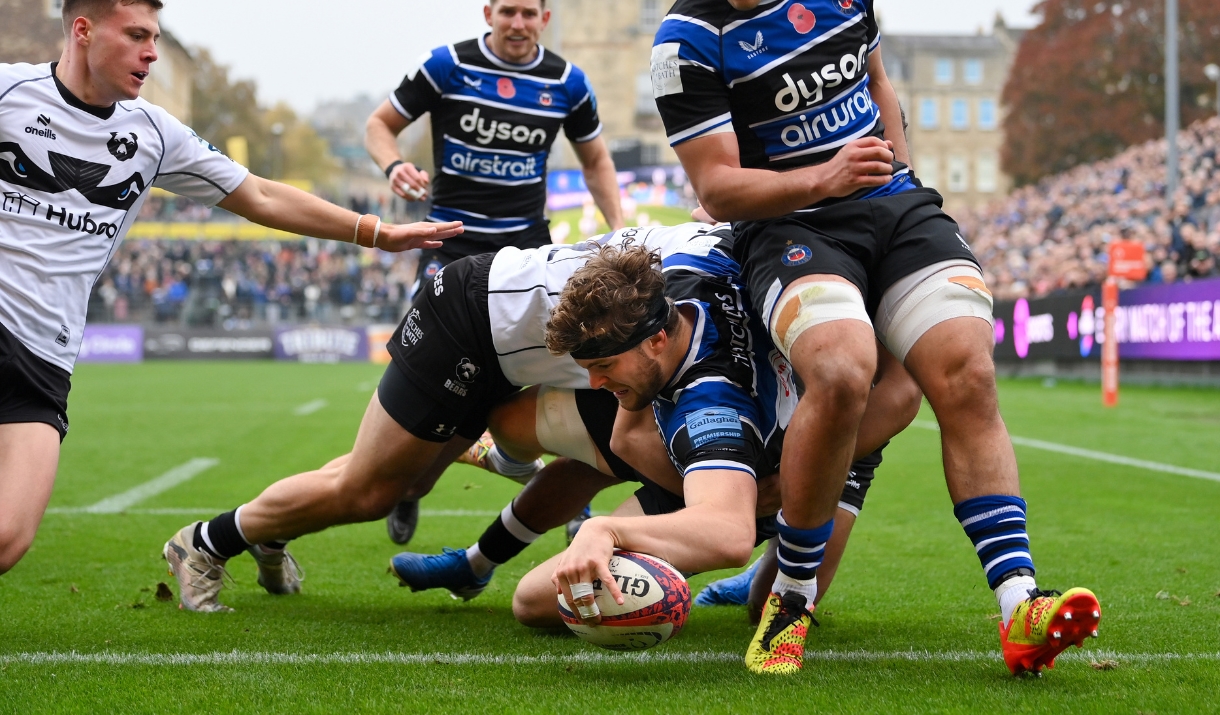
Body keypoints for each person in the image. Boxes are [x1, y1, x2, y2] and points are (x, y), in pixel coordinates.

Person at [651, 0, 1099, 675]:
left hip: (892, 207)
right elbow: (716, 186)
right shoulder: (684, 42)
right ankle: (791, 601)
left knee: (968, 372)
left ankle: (1021, 607)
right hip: (792, 225)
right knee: (840, 369)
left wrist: (906, 173)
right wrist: (823, 179)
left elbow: (876, 79)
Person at [0, 0, 462, 577]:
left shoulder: (154, 134)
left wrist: (376, 232)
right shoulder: (9, 94)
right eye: (137, 35)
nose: (151, 52)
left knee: (8, 538)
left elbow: (262, 196)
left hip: (45, 356)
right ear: (84, 29)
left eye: (156, 37)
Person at [161, 223, 749, 613]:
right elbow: (630, 436)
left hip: (516, 338)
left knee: (410, 480)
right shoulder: (694, 294)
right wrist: (736, 502)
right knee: (372, 491)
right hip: (467, 318)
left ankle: (283, 526)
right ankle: (207, 541)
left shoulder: (720, 259)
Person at [364, 0, 625, 544]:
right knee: (438, 389)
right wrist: (393, 165)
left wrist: (619, 228)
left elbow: (595, 159)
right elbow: (379, 124)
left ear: (545, 20)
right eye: (508, 10)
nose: (518, 23)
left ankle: (573, 495)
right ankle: (410, 486)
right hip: (451, 250)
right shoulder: (445, 65)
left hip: (529, 255)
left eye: (530, 13)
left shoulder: (568, 82)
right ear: (488, 13)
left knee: (581, 368)